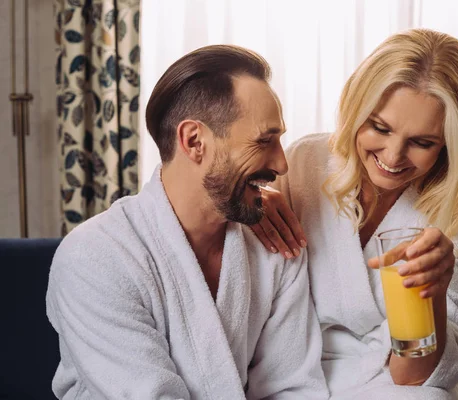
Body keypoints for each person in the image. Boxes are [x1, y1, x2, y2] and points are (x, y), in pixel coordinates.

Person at [46, 45, 328, 399]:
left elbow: (293, 386)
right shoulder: (94, 257)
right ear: (194, 141)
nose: (282, 164)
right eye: (264, 140)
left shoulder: (274, 247)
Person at [251, 29, 458, 399]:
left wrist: (432, 294)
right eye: (380, 128)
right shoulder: (303, 163)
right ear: (357, 109)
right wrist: (249, 205)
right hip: (297, 370)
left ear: (449, 144)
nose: (392, 157)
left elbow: (410, 376)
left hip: (395, 382)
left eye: (422, 143)